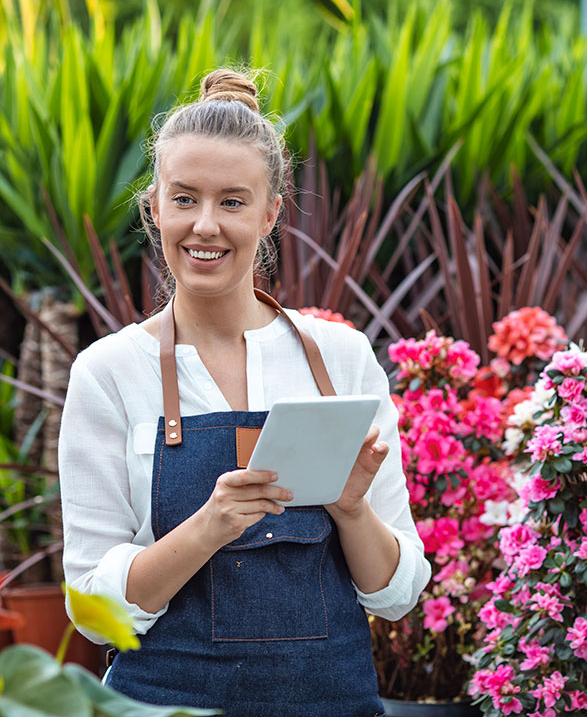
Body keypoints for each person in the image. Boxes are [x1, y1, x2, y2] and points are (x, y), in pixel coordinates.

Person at [58, 68, 430, 717]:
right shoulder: (109, 372)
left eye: (232, 201)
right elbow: (93, 611)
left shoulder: (340, 360)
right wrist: (209, 528)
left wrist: (349, 508)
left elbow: (395, 594)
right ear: (154, 206)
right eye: (184, 199)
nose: (205, 226)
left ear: (270, 213)